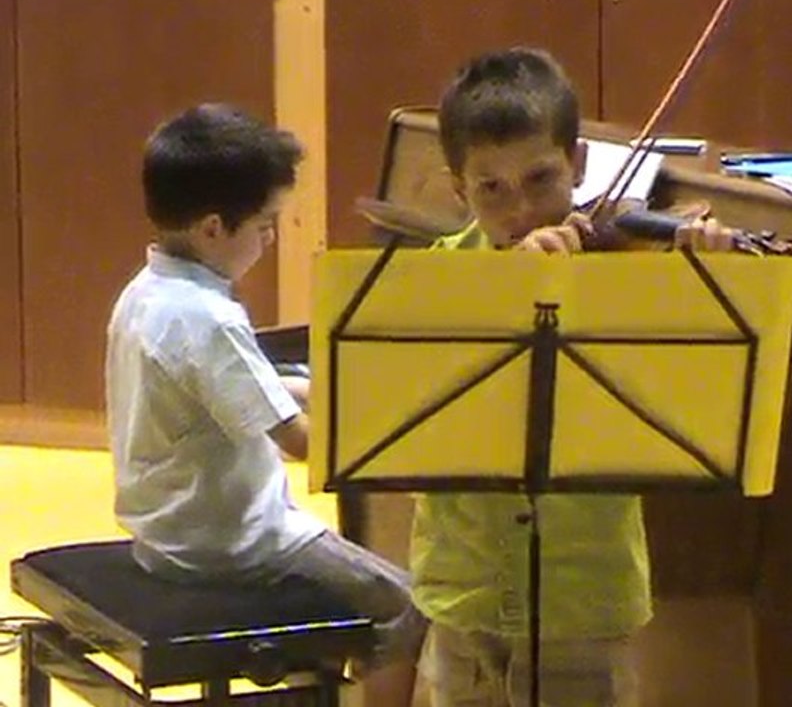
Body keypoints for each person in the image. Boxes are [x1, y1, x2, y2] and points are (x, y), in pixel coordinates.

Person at [410, 48, 736, 706]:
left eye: (541, 179)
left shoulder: (624, 274)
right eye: (490, 188)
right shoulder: (436, 281)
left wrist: (710, 277)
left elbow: (696, 389)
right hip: (463, 595)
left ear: (580, 164)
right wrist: (507, 291)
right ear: (457, 189)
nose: (522, 211)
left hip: (582, 601)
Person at [106, 103, 426, 705]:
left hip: (163, 534)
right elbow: (303, 442)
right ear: (212, 229)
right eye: (265, 224)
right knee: (410, 602)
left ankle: (319, 675)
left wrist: (345, 386)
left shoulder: (146, 291)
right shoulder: (211, 319)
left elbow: (254, 388)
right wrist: (400, 419)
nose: (272, 237)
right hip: (233, 547)